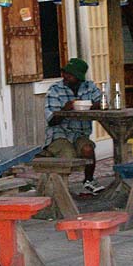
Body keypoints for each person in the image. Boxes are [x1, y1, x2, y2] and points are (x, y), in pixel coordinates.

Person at [42, 58, 104, 195]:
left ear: (79, 77)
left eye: (70, 75)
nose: (65, 76)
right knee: (68, 155)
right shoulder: (55, 90)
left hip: (80, 133)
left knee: (88, 149)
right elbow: (51, 121)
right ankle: (60, 191)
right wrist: (65, 110)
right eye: (64, 73)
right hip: (59, 134)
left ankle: (89, 181)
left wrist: (90, 105)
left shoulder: (90, 87)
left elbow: (101, 102)